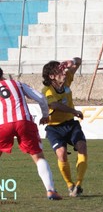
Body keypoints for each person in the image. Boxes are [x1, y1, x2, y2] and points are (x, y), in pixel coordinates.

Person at [0, 67, 62, 200]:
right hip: (24, 122)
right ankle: (50, 190)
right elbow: (41, 98)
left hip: (3, 125)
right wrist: (45, 115)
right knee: (38, 157)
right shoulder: (17, 84)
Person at [42, 57, 87, 197]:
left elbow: (79, 61)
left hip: (70, 124)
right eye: (59, 71)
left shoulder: (66, 80)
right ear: (51, 76)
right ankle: (70, 184)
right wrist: (74, 111)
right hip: (54, 127)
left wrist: (71, 61)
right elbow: (55, 105)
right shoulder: (47, 91)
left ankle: (79, 184)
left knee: (82, 147)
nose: (64, 72)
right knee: (61, 153)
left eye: (63, 69)